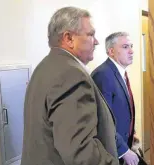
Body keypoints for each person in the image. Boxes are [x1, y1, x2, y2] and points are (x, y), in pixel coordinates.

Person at [21, 6, 119, 165]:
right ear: (69, 38)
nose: (97, 41)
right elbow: (81, 152)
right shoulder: (70, 75)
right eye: (91, 34)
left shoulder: (45, 66)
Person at [92, 32, 140, 165]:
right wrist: (123, 150)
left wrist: (130, 133)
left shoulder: (120, 72)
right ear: (111, 51)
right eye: (125, 47)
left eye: (131, 46)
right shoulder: (103, 75)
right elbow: (103, 120)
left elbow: (120, 109)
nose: (131, 51)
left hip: (123, 142)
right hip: (112, 150)